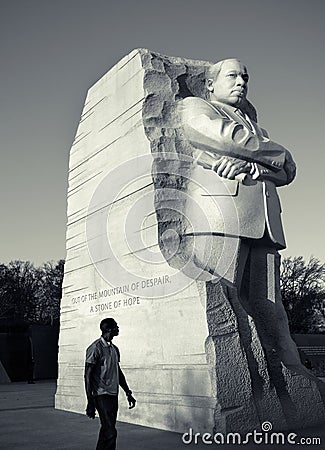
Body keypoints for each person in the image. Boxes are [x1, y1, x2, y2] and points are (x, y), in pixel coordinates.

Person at [176, 58, 302, 368]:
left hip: (266, 224)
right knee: (223, 299)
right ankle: (239, 378)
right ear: (210, 84)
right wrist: (278, 152)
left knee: (271, 306)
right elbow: (222, 137)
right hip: (222, 214)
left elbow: (288, 173)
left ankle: (289, 375)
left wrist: (254, 165)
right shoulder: (196, 107)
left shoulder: (258, 129)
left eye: (245, 76)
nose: (242, 82)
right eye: (233, 75)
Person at [84, 318, 136, 450]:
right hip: (101, 394)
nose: (117, 329)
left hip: (113, 394)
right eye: (115, 327)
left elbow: (118, 372)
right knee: (111, 431)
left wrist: (128, 392)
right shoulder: (95, 348)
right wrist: (90, 401)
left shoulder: (114, 349)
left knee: (107, 430)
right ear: (108, 329)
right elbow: (87, 375)